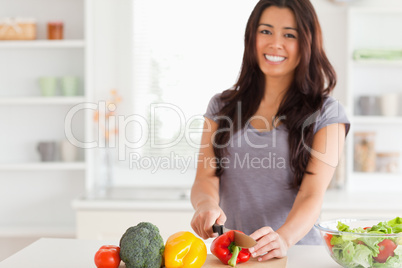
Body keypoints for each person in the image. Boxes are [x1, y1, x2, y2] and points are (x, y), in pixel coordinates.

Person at [190, 0, 350, 262]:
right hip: (232, 254)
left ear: (306, 43)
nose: (275, 43)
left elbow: (312, 193)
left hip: (297, 253)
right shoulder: (221, 106)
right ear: (252, 37)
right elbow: (206, 177)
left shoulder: (327, 113)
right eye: (265, 31)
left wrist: (284, 238)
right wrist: (205, 204)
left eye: (289, 34)